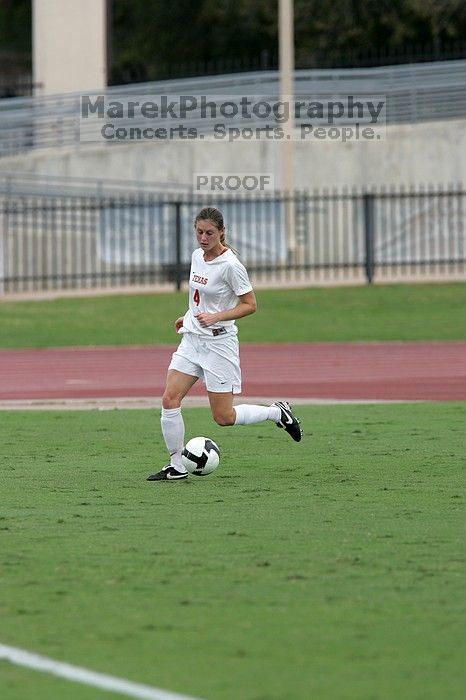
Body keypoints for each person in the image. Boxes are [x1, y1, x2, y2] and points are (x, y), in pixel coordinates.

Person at [147, 206, 302, 481]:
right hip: (193, 341)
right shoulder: (197, 256)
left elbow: (250, 305)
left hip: (220, 344)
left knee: (224, 417)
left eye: (209, 233)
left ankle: (276, 412)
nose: (203, 238)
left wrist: (217, 317)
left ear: (221, 232)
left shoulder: (231, 265)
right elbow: (199, 297)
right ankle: (176, 466)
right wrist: (188, 317)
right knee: (169, 399)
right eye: (199, 232)